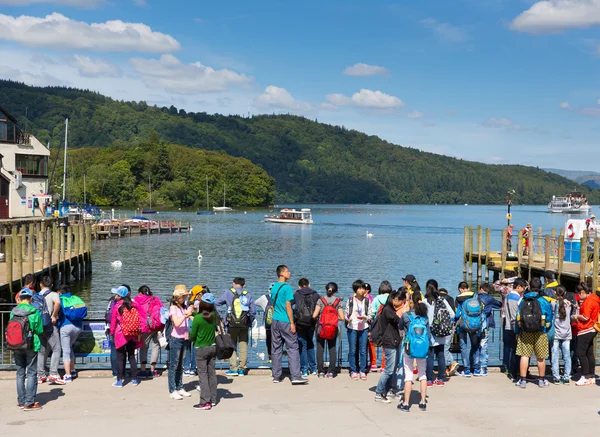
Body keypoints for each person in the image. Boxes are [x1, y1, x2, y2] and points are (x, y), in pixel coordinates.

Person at [271, 265, 307, 385]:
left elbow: (272, 304)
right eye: (287, 271)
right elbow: (288, 306)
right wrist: (292, 323)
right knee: (292, 347)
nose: (289, 273)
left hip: (275, 320)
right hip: (285, 320)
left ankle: (276, 375)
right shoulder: (286, 288)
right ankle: (295, 375)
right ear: (281, 274)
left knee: (276, 348)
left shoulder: (274, 287)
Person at [514, 278, 553, 388]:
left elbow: (518, 317)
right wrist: (546, 329)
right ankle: (541, 380)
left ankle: (522, 380)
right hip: (540, 332)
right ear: (541, 287)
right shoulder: (544, 301)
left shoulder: (523, 300)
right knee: (541, 357)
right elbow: (549, 317)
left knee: (525, 355)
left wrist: (517, 331)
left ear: (529, 287)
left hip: (525, 331)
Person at [10, 288, 44, 411]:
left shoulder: (14, 311)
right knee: (31, 373)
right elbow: (39, 329)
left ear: (20, 298)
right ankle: (29, 403)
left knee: (20, 373)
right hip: (31, 344)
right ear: (30, 299)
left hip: (16, 344)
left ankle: (21, 401)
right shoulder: (34, 311)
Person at [215, 277, 256, 377]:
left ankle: (233, 369)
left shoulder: (228, 293)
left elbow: (216, 302)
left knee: (231, 344)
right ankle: (242, 368)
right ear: (243, 285)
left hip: (231, 324)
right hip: (244, 324)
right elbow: (253, 311)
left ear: (233, 283)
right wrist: (248, 321)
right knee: (243, 345)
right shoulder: (248, 294)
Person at [397, 292, 429, 413]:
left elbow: (400, 327)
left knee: (408, 375)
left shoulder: (406, 315)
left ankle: (405, 404)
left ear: (411, 301)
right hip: (423, 348)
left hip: (409, 347)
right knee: (422, 374)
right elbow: (428, 334)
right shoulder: (424, 317)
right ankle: (422, 402)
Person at [374, 290, 405, 403]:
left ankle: (389, 390)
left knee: (393, 368)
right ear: (395, 300)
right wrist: (404, 310)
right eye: (401, 302)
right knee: (388, 369)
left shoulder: (390, 309)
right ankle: (379, 392)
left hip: (395, 341)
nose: (402, 304)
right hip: (390, 342)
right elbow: (399, 321)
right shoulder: (388, 310)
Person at [110, 285, 143, 388]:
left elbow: (113, 322)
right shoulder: (135, 304)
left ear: (120, 296)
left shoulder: (117, 306)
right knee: (132, 356)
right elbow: (142, 316)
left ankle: (119, 381)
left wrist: (111, 332)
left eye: (117, 294)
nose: (115, 295)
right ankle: (134, 379)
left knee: (120, 357)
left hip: (121, 334)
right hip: (132, 334)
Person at [190, 293, 218, 410]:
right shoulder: (214, 315)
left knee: (203, 375)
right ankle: (213, 399)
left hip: (201, 348)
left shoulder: (197, 319)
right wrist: (193, 313)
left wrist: (193, 314)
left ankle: (205, 401)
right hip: (212, 347)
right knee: (211, 373)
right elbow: (204, 316)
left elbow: (193, 335)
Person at [424, 282, 455, 386]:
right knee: (441, 355)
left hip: (429, 331)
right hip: (441, 331)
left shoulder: (425, 302)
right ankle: (440, 379)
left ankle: (429, 380)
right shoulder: (442, 300)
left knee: (430, 356)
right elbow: (452, 314)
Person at [312, 282, 344, 378]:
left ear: (326, 289)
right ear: (335, 291)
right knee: (332, 349)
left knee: (320, 349)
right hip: (332, 329)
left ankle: (321, 371)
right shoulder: (338, 302)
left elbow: (314, 315)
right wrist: (334, 317)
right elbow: (342, 317)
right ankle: (331, 372)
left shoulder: (321, 300)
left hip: (321, 328)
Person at [167, 284, 194, 398]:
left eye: (184, 296)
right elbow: (177, 323)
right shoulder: (173, 308)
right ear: (176, 297)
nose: (183, 298)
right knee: (174, 364)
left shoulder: (184, 307)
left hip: (185, 338)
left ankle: (180, 387)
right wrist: (185, 315)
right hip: (176, 338)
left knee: (181, 364)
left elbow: (191, 315)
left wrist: (191, 313)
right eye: (181, 296)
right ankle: (172, 390)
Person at [36, 276, 63, 385]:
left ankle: (40, 374)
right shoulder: (54, 294)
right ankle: (53, 373)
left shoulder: (37, 295)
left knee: (41, 350)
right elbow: (57, 303)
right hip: (50, 325)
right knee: (56, 348)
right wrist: (54, 315)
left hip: (39, 325)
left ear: (40, 285)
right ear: (52, 285)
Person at [572, 283, 600, 386]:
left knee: (580, 352)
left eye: (579, 294)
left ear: (583, 292)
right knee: (589, 353)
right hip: (592, 328)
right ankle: (591, 375)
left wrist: (576, 316)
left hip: (586, 329)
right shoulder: (595, 298)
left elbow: (585, 317)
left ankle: (585, 375)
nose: (578, 296)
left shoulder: (589, 301)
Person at [57, 284, 85, 383]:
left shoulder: (60, 299)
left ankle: (68, 375)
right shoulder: (76, 298)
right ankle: (72, 371)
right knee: (69, 347)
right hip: (78, 327)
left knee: (65, 350)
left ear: (59, 292)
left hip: (66, 326)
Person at [133, 285, 162, 378]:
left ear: (140, 293)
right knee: (156, 348)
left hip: (145, 328)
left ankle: (143, 370)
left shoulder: (137, 300)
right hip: (156, 327)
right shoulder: (156, 299)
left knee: (143, 348)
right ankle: (153, 370)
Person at [294, 278, 321, 376]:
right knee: (310, 343)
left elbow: (292, 305)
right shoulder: (315, 294)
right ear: (309, 284)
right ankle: (313, 368)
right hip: (311, 323)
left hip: (300, 323)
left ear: (299, 286)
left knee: (302, 345)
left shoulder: (297, 294)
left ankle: (304, 370)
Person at [454, 281, 481, 377]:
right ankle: (477, 369)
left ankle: (467, 370)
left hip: (463, 325)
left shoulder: (459, 298)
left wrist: (454, 320)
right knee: (475, 345)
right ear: (468, 288)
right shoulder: (475, 296)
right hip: (474, 324)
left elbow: (457, 314)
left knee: (463, 347)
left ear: (460, 289)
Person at [345, 279, 370, 380]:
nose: (361, 290)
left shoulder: (367, 301)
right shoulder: (350, 300)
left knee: (363, 350)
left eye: (363, 288)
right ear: (355, 289)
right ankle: (353, 370)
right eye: (359, 288)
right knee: (352, 350)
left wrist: (366, 318)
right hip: (353, 327)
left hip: (363, 327)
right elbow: (346, 313)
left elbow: (370, 314)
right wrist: (348, 318)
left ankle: (362, 370)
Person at [477, 282, 502, 376]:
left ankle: (475, 366)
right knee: (483, 345)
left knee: (474, 345)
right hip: (485, 324)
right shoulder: (489, 298)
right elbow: (499, 304)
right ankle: (483, 367)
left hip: (472, 325)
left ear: (480, 289)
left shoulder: (474, 297)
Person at [503, 278, 525, 380]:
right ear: (519, 287)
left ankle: (509, 370)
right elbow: (515, 315)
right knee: (516, 351)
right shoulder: (517, 299)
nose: (524, 290)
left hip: (507, 326)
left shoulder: (507, 296)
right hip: (514, 328)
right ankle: (514, 373)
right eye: (523, 287)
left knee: (510, 349)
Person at [551, 285, 572, 385]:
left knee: (555, 356)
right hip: (567, 333)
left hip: (556, 333)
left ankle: (556, 377)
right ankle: (566, 377)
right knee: (567, 356)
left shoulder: (553, 303)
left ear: (555, 293)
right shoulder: (568, 304)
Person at [370, 281, 393, 372]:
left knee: (372, 341)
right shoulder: (392, 298)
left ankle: (373, 364)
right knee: (386, 345)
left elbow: (372, 313)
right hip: (389, 324)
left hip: (378, 324)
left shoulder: (376, 299)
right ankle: (384, 365)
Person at [183, 285, 205, 378]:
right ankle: (193, 369)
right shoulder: (201, 303)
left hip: (187, 326)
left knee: (187, 348)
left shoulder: (187, 302)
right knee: (194, 348)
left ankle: (186, 368)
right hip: (196, 327)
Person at [438, 286, 458, 377]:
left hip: (440, 328)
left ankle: (451, 364)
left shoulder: (438, 299)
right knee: (445, 347)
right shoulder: (450, 299)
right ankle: (450, 365)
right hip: (450, 327)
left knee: (443, 348)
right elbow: (453, 314)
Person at [254, 283, 274, 362]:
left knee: (269, 340)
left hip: (268, 323)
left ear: (268, 290)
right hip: (279, 323)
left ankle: (270, 357)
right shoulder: (280, 297)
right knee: (278, 340)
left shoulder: (263, 298)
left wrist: (263, 306)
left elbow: (255, 302)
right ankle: (277, 357)